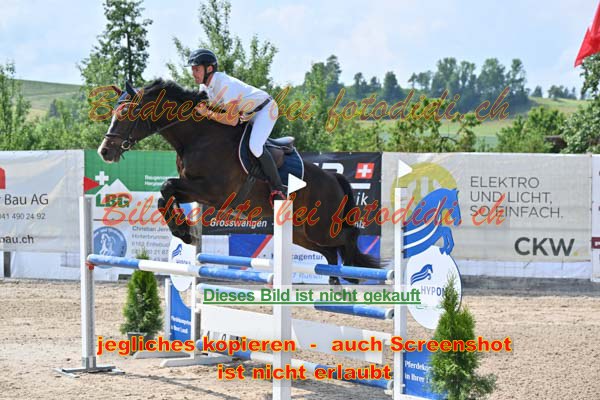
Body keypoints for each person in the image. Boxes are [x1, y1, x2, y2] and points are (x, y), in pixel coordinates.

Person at [187, 48, 286, 200]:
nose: (193, 73)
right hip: (245, 115)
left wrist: (207, 113)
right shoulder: (204, 87)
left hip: (265, 110)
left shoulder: (225, 84)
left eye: (196, 69)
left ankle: (278, 189)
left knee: (255, 147)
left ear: (209, 69)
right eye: (193, 69)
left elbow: (231, 120)